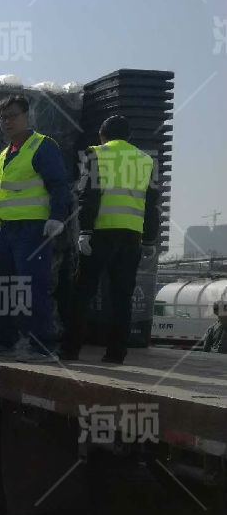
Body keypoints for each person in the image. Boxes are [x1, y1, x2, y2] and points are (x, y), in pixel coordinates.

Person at [0, 95, 70, 363]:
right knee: (0, 287)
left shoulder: (42, 146)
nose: (7, 122)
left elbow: (59, 184)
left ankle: (42, 347)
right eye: (2, 118)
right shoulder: (4, 156)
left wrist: (57, 217)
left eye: (12, 116)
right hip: (6, 230)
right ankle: (3, 342)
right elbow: (1, 194)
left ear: (27, 115)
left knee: (32, 286)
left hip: (33, 229)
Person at [59, 115, 159, 363]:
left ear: (102, 135)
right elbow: (152, 203)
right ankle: (116, 354)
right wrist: (149, 239)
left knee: (83, 292)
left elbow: (89, 194)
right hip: (131, 236)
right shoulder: (146, 160)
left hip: (101, 233)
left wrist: (85, 231)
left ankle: (71, 349)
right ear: (129, 137)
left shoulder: (96, 153)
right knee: (122, 298)